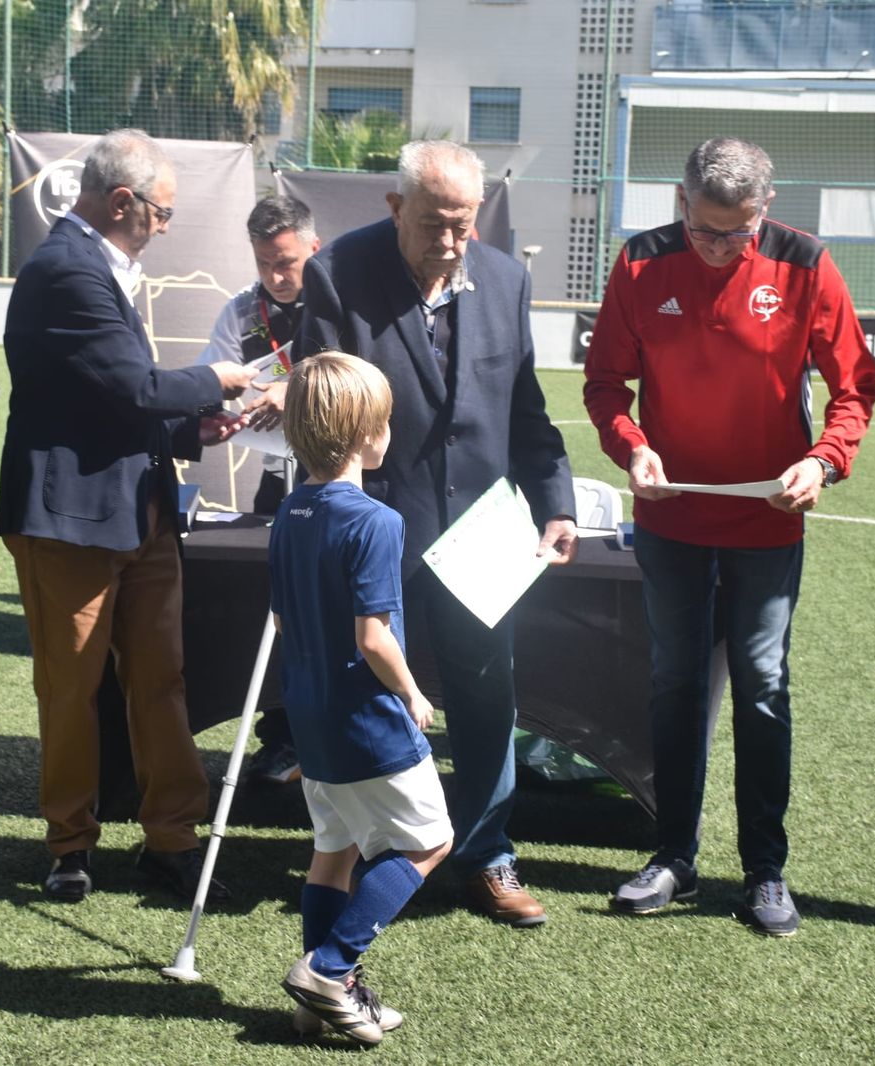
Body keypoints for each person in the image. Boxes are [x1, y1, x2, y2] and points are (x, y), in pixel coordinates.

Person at [583, 137, 875, 936]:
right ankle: (673, 854)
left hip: (767, 521)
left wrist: (824, 460)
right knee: (676, 682)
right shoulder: (641, 263)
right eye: (704, 229)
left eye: (735, 233)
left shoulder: (807, 264)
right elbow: (606, 383)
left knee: (761, 682)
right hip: (671, 518)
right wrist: (632, 446)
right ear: (681, 204)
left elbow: (854, 388)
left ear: (765, 212)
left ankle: (764, 871)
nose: (717, 248)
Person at [298, 140, 577, 927]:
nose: (450, 243)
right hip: (376, 531)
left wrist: (556, 500)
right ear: (395, 209)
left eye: (463, 225)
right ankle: (363, 855)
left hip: (483, 540)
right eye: (433, 225)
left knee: (489, 696)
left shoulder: (508, 280)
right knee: (373, 696)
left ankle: (488, 855)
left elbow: (524, 410)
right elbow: (322, 414)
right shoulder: (338, 274)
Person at [0, 128, 258, 904]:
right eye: (163, 211)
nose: (168, 224)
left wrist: (192, 431)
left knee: (160, 680)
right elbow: (132, 386)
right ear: (123, 202)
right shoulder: (66, 269)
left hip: (138, 509)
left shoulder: (95, 265)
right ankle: (70, 844)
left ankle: (171, 839)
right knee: (71, 689)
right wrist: (220, 379)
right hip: (71, 521)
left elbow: (109, 401)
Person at [270, 352, 452, 1046]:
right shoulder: (375, 520)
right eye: (385, 421)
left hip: (309, 716)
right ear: (361, 434)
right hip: (366, 719)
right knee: (431, 841)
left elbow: (284, 621)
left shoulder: (290, 510)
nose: (390, 432)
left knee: (335, 849)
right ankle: (329, 969)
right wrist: (413, 695)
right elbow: (374, 637)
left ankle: (315, 1008)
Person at [196, 193, 321, 786]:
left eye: (288, 261)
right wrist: (218, 405)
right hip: (278, 480)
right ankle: (281, 740)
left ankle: (334, 736)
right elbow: (212, 374)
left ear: (312, 248)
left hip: (348, 480)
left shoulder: (339, 297)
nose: (276, 275)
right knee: (276, 607)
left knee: (343, 610)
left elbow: (364, 371)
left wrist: (295, 387)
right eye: (266, 262)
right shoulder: (242, 310)